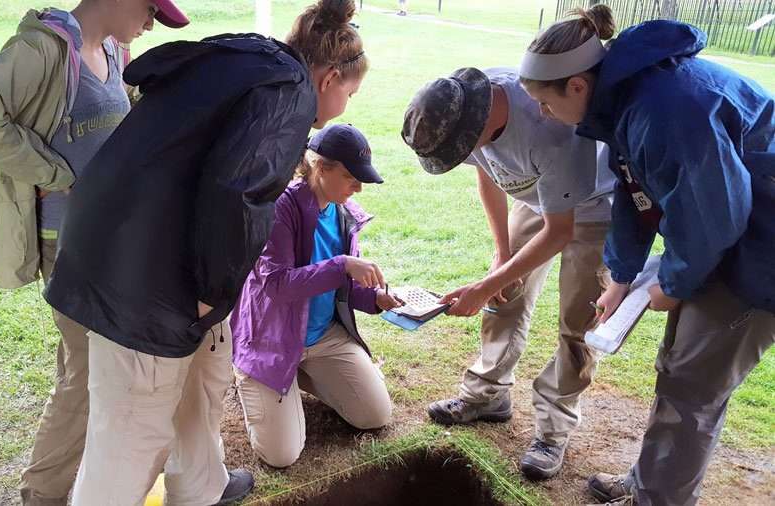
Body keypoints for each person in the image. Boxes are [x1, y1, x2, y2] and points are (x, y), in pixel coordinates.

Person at [43, 1, 370, 504]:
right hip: (141, 278)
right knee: (132, 433)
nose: (348, 100)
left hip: (140, 242)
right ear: (329, 78)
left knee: (204, 375)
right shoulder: (289, 94)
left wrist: (212, 303)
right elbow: (236, 191)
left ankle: (202, 489)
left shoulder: (256, 63)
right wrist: (211, 293)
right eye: (351, 90)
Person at [517, 5, 775, 505]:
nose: (544, 116)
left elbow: (715, 214)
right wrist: (622, 275)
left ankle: (657, 499)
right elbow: (633, 191)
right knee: (680, 367)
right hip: (736, 231)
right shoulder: (625, 97)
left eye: (544, 104)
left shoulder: (663, 109)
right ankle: (649, 484)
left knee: (692, 386)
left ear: (576, 85)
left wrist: (672, 284)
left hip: (762, 248)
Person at [0, 1, 188, 504]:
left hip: (110, 239)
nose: (150, 22)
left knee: (87, 369)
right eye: (149, 9)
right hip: (69, 246)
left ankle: (74, 483)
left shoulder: (115, 51)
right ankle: (43, 494)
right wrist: (56, 173)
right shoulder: (44, 49)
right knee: (86, 375)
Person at [402, 63, 615, 480]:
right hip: (534, 198)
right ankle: (487, 394)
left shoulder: (549, 130)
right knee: (504, 296)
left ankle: (554, 428)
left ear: (479, 123)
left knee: (579, 321)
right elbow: (489, 173)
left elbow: (560, 231)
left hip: (592, 209)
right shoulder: (468, 104)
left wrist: (484, 285)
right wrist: (501, 256)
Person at [231, 124, 401, 468]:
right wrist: (342, 265)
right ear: (320, 167)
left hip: (323, 335)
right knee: (282, 456)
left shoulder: (343, 213)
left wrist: (375, 299)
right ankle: (253, 377)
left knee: (374, 415)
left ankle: (302, 375)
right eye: (351, 176)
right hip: (272, 339)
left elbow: (344, 286)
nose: (359, 187)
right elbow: (277, 285)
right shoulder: (280, 207)